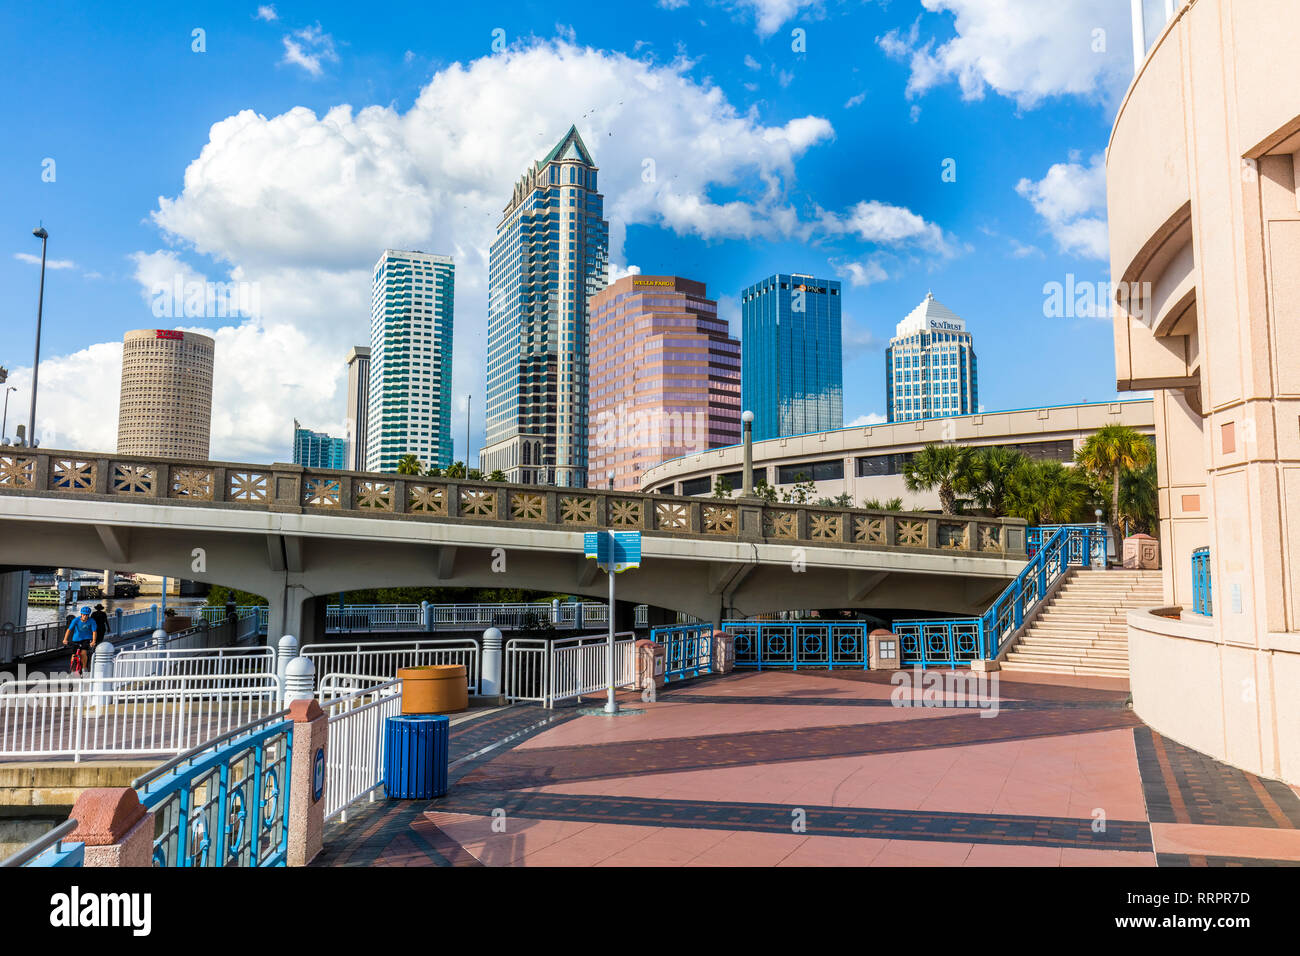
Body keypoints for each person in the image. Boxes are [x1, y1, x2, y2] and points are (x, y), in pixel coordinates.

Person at [62, 606, 99, 676]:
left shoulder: (92, 621)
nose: (85, 616)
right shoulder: (76, 620)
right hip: (76, 639)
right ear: (81, 614)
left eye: (87, 615)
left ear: (89, 615)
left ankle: (84, 668)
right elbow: (69, 630)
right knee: (73, 655)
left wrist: (93, 641)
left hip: (86, 639)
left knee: (83, 653)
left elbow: (94, 631)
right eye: (84, 614)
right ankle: (72, 670)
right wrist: (65, 639)